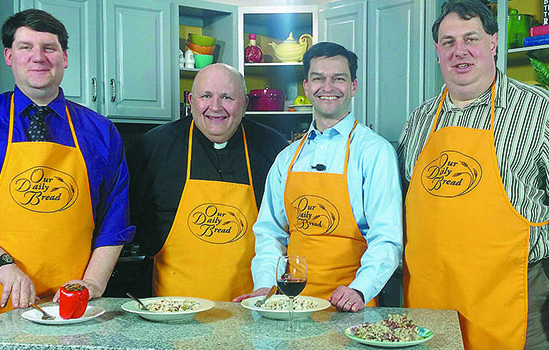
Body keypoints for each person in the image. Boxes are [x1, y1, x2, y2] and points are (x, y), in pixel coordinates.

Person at [0, 9, 134, 330]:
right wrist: (3, 265)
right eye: (25, 47)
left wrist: (93, 284)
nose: (39, 57)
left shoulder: (101, 131)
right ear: (9, 56)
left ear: (64, 57)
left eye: (49, 48)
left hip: (73, 297)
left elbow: (115, 219)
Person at [398, 0, 549, 349]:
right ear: (437, 51)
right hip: (428, 301)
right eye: (448, 42)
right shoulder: (419, 119)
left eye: (471, 38)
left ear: (493, 43)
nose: (459, 51)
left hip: (513, 299)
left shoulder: (538, 110)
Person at [233, 42, 403, 312]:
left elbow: (387, 238)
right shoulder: (286, 158)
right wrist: (265, 285)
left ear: (353, 86)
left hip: (352, 305)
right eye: (318, 78)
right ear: (306, 87)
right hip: (292, 305)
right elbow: (270, 233)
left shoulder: (374, 152)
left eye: (339, 78)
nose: (328, 87)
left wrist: (360, 289)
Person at [126, 63, 288, 301]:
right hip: (171, 311)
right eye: (206, 96)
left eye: (226, 97)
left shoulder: (275, 149)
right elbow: (126, 220)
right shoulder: (153, 148)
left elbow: (286, 229)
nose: (215, 107)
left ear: (244, 104)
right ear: (191, 101)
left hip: (253, 308)